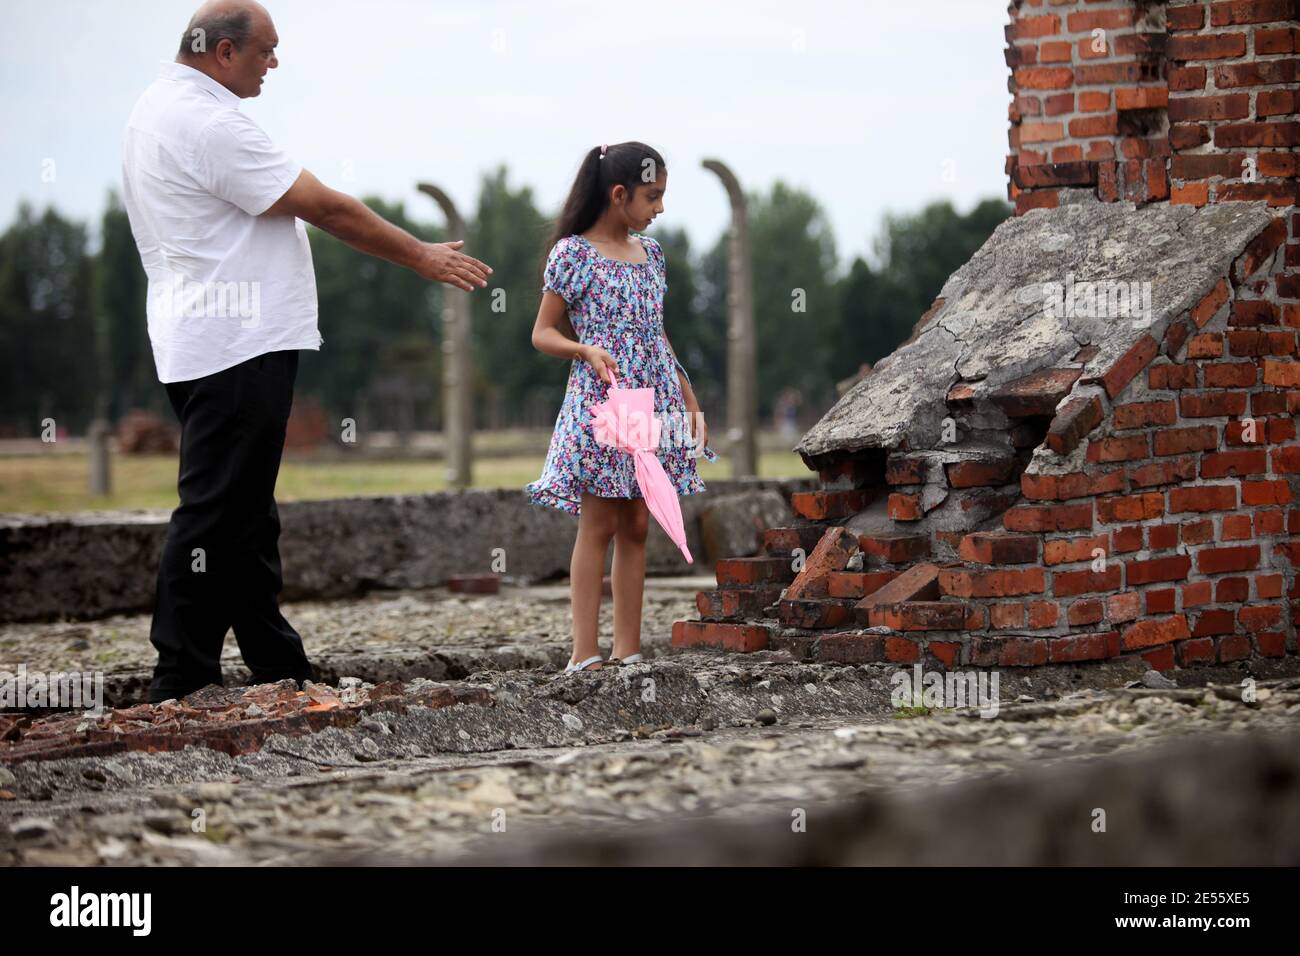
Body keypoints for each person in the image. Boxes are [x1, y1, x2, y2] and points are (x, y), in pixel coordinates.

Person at [121, 1, 491, 704]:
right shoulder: (209, 123)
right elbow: (324, 206)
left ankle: (275, 664)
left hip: (203, 336)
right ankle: (181, 677)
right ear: (223, 52)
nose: (274, 63)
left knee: (245, 514)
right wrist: (420, 255)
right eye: (265, 50)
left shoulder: (155, 109)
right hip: (236, 344)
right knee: (215, 514)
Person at [527, 142, 717, 674]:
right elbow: (542, 333)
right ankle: (583, 654)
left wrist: (687, 393)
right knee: (599, 521)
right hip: (604, 398)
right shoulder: (573, 254)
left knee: (637, 522)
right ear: (618, 195)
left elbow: (657, 333)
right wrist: (584, 349)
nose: (660, 208)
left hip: (652, 398)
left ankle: (627, 651)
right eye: (652, 196)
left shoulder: (652, 255)